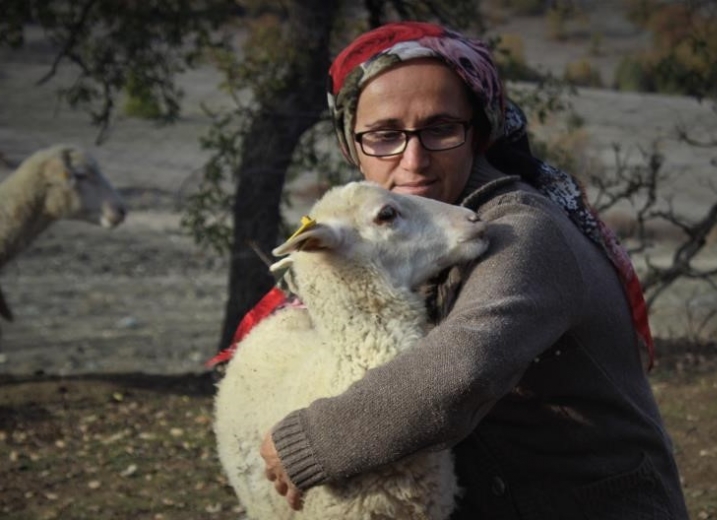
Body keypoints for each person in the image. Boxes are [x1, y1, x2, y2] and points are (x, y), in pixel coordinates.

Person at [256, 20, 690, 519]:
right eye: (384, 135)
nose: (413, 160)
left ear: (477, 134)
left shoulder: (521, 233)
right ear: (351, 145)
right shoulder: (391, 233)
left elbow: (463, 369)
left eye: (441, 129)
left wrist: (309, 441)